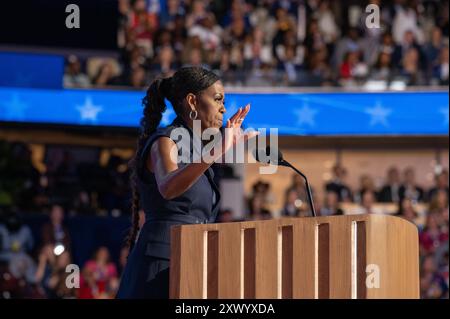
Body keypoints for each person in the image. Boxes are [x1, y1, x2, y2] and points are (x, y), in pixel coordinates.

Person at [116, 67, 257, 298]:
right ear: (192, 101)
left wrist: (226, 148)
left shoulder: (196, 149)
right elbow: (168, 186)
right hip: (161, 264)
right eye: (217, 99)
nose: (223, 108)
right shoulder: (165, 141)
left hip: (191, 260)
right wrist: (216, 150)